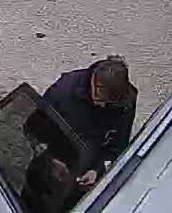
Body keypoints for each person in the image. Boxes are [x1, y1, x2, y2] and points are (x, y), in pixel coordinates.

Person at [44, 57, 137, 187]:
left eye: (109, 103)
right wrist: (50, 159)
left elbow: (119, 143)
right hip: (52, 164)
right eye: (100, 100)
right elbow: (34, 128)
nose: (103, 106)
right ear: (95, 84)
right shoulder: (63, 92)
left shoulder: (125, 101)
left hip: (87, 169)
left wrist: (96, 170)